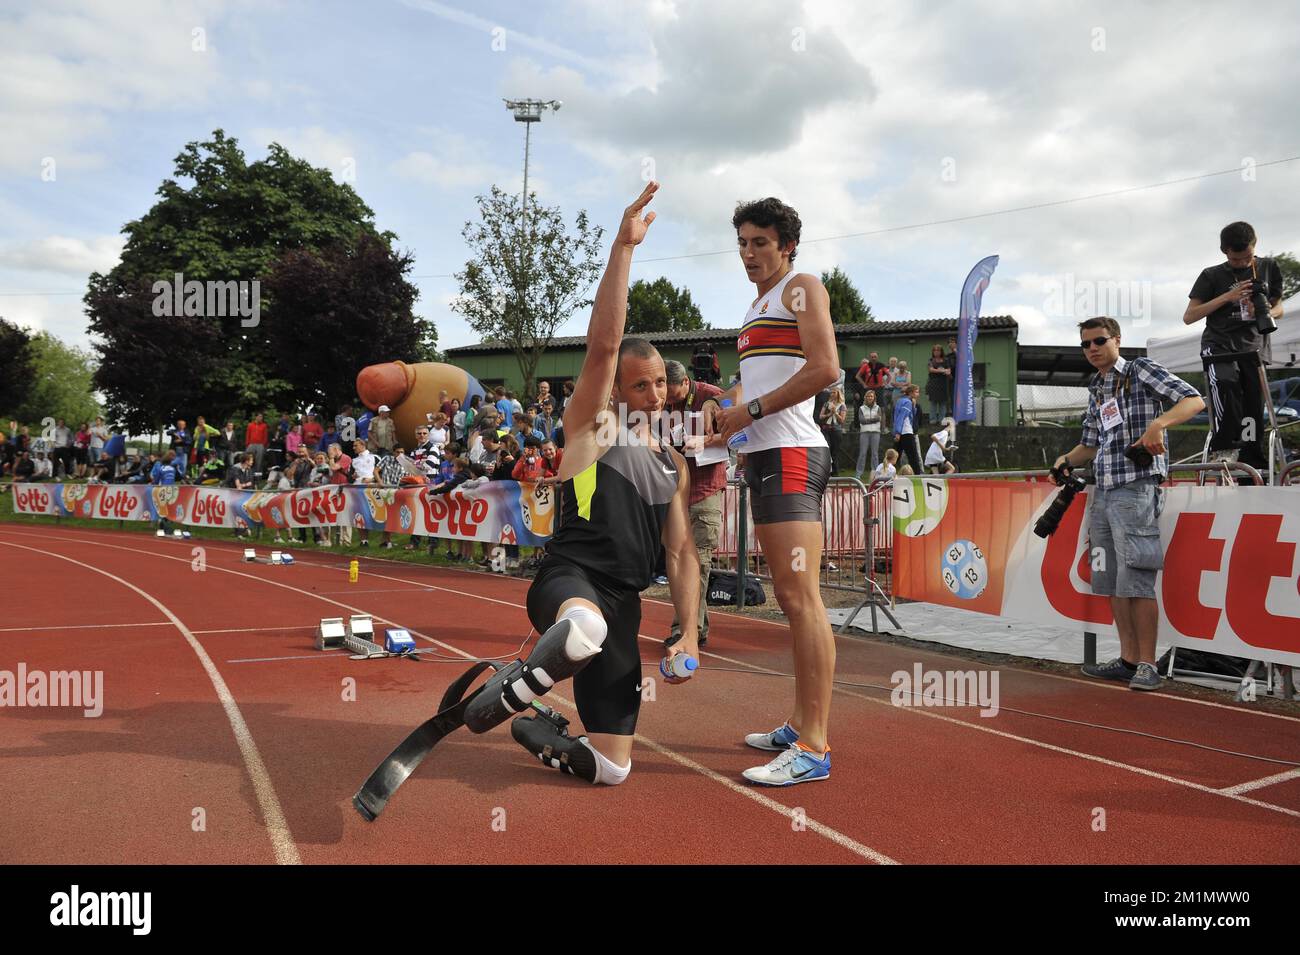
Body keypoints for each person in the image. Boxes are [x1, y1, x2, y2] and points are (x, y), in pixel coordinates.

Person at [462, 182, 701, 790]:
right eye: (638, 385)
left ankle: (535, 725)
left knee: (615, 769)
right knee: (583, 629)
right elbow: (603, 345)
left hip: (625, 607)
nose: (651, 395)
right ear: (620, 389)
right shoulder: (592, 428)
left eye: (658, 386)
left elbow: (680, 554)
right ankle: (516, 683)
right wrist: (623, 249)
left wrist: (689, 629)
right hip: (569, 584)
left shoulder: (673, 463)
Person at [706, 195, 838, 787]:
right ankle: (799, 722)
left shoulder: (801, 286)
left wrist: (750, 409)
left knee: (800, 595)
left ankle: (814, 745)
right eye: (742, 243)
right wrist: (724, 404)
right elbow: (757, 383)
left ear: (787, 246)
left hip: (791, 454)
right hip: (764, 455)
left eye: (760, 242)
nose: (749, 253)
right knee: (789, 598)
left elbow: (826, 367)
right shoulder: (759, 303)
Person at [1054, 317, 1204, 691]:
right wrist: (1066, 460)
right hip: (1103, 490)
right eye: (1085, 343)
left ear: (1117, 340)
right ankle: (1127, 660)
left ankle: (1148, 665)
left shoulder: (1140, 370)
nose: (1092, 348)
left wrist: (1159, 426)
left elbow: (1193, 399)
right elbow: (1090, 444)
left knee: (1137, 577)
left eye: (1099, 340)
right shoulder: (1096, 386)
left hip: (1135, 486)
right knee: (1112, 580)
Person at [1183, 221, 1286, 469]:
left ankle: (1252, 460)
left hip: (1254, 346)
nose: (1242, 263)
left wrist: (1267, 310)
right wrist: (1227, 297)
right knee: (1225, 383)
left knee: (1252, 405)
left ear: (1255, 246)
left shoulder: (1269, 267)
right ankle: (1225, 447)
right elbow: (1190, 316)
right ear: (1224, 251)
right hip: (1218, 344)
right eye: (1236, 259)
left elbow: (1280, 307)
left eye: (1247, 257)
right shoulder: (1211, 275)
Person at [660, 359, 727, 649]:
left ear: (686, 382)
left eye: (672, 395)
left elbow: (741, 434)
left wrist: (704, 442)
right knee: (682, 563)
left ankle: (685, 630)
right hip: (677, 492)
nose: (668, 400)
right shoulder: (661, 401)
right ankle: (696, 628)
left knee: (696, 564)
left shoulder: (713, 396)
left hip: (705, 491)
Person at [893, 384, 922, 474]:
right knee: (914, 457)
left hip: (901, 432)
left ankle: (884, 473)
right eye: (916, 392)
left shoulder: (900, 401)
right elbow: (902, 417)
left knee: (894, 456)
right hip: (906, 432)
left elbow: (897, 416)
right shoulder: (907, 402)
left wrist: (897, 432)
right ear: (911, 393)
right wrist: (898, 432)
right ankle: (918, 476)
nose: (918, 394)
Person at [855, 389, 883, 479]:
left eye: (871, 396)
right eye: (868, 396)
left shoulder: (878, 407)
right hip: (864, 432)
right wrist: (873, 420)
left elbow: (879, 418)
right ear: (865, 397)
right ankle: (858, 473)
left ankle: (875, 473)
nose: (870, 398)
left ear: (874, 397)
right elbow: (862, 421)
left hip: (875, 432)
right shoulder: (861, 408)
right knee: (862, 453)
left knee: (875, 454)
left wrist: (869, 420)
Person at [926, 344, 953, 423]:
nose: (936, 352)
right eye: (935, 350)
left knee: (943, 403)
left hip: (943, 384)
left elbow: (949, 371)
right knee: (933, 403)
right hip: (933, 384)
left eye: (938, 350)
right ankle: (933, 420)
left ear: (941, 351)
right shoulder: (931, 360)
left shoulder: (946, 360)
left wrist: (943, 370)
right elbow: (931, 369)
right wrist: (942, 370)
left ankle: (941, 420)